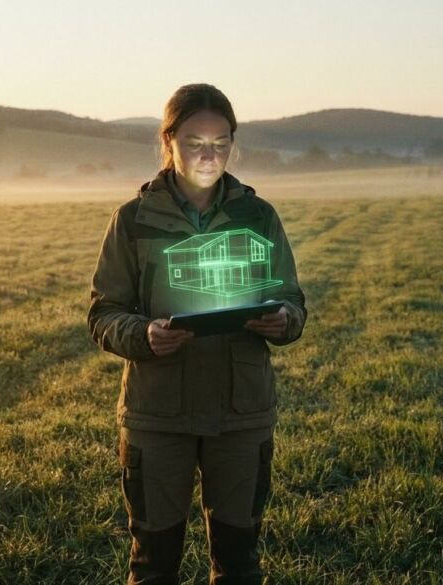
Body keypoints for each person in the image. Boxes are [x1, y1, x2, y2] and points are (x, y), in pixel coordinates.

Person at [88, 83, 307, 585]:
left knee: (239, 563)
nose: (209, 155)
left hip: (241, 413)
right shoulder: (133, 220)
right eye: (194, 142)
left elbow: (292, 299)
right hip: (158, 414)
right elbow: (103, 314)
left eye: (220, 143)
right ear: (168, 141)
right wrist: (144, 334)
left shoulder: (259, 216)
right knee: (154, 564)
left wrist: (283, 321)